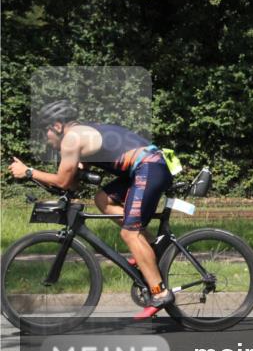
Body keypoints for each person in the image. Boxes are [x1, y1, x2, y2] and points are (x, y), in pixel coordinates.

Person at [8, 99, 175, 319]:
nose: (45, 138)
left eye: (45, 132)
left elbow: (62, 181)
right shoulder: (83, 132)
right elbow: (73, 181)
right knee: (103, 199)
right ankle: (150, 247)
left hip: (148, 167)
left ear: (58, 126)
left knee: (129, 233)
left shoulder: (72, 138)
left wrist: (28, 172)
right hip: (147, 166)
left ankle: (160, 292)